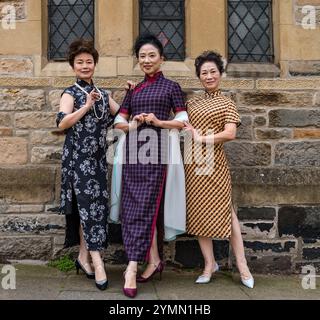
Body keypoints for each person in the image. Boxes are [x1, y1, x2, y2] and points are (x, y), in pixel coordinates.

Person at [113, 33, 188, 298]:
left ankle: (132, 267)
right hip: (133, 154)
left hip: (158, 154)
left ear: (161, 59)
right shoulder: (133, 90)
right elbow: (119, 122)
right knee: (133, 207)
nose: (146, 60)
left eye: (151, 55)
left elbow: (182, 122)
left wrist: (157, 121)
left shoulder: (172, 87)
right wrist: (132, 124)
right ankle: (154, 261)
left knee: (145, 206)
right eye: (142, 56)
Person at [184, 50, 254, 289]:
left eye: (213, 71)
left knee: (227, 212)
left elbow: (230, 133)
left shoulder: (227, 103)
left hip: (214, 163)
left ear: (220, 73)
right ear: (199, 76)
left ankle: (243, 266)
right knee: (198, 212)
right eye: (204, 73)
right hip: (192, 163)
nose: (209, 76)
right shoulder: (192, 103)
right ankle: (209, 264)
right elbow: (177, 121)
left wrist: (201, 137)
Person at [56, 39, 120, 290]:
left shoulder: (103, 94)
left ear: (95, 65)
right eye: (80, 62)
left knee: (95, 210)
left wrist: (132, 93)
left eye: (89, 62)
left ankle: (83, 257)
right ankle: (97, 261)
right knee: (88, 209)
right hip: (77, 162)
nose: (85, 66)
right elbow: (62, 123)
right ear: (73, 66)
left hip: (97, 162)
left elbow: (121, 114)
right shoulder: (69, 93)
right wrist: (86, 106)